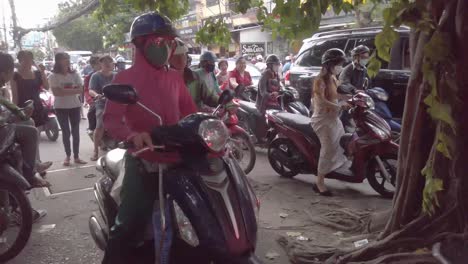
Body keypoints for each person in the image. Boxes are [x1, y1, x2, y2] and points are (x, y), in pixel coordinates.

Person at [102, 12, 197, 264]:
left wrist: (209, 124)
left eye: (170, 42)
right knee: (129, 222)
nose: (166, 47)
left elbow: (190, 113)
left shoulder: (175, 78)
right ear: (139, 45)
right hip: (144, 159)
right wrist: (134, 135)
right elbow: (112, 121)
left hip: (179, 158)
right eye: (159, 42)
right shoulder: (125, 79)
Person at [0, 52, 50, 188]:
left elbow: (8, 104)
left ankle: (32, 166)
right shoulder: (15, 77)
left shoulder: (37, 73)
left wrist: (21, 113)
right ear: (6, 72)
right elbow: (11, 102)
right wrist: (15, 114)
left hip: (31, 108)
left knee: (29, 123)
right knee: (31, 132)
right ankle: (30, 173)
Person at [310, 48, 352, 196]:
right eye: (338, 63)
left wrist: (351, 97)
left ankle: (333, 170)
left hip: (334, 118)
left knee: (341, 144)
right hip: (322, 119)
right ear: (329, 64)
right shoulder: (320, 80)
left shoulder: (333, 78)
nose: (340, 66)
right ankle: (319, 183)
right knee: (328, 150)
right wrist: (339, 105)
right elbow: (321, 100)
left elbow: (337, 93)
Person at [10, 50, 53, 174]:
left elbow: (46, 87)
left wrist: (42, 71)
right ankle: (35, 165)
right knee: (30, 139)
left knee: (37, 137)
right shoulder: (15, 75)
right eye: (24, 59)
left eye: (29, 58)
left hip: (37, 107)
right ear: (19, 60)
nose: (27, 61)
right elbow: (15, 95)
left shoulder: (37, 73)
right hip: (24, 109)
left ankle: (36, 164)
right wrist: (15, 111)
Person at [48, 52, 87, 166]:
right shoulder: (53, 76)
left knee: (76, 132)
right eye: (65, 59)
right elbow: (56, 93)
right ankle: (68, 156)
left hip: (75, 106)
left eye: (68, 58)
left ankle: (76, 156)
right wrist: (73, 89)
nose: (68, 60)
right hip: (60, 107)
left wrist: (63, 91)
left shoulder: (75, 74)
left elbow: (81, 90)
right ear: (58, 61)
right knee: (66, 132)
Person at [170, 39, 218, 111]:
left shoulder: (195, 77)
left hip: (197, 118)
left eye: (183, 54)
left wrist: (224, 101)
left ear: (187, 56)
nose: (180, 59)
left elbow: (209, 97)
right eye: (176, 55)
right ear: (169, 58)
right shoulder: (165, 80)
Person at [89, 55, 116, 161]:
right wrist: (96, 95)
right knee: (100, 126)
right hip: (102, 104)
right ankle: (95, 151)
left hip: (116, 105)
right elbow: (91, 90)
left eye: (110, 62)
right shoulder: (96, 76)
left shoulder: (117, 75)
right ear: (101, 64)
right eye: (105, 62)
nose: (108, 64)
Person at [83, 56, 101, 132]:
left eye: (101, 63)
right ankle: (92, 129)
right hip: (96, 100)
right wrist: (90, 100)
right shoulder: (89, 76)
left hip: (110, 99)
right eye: (98, 63)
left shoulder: (111, 74)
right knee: (92, 112)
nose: (100, 65)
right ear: (93, 65)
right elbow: (87, 90)